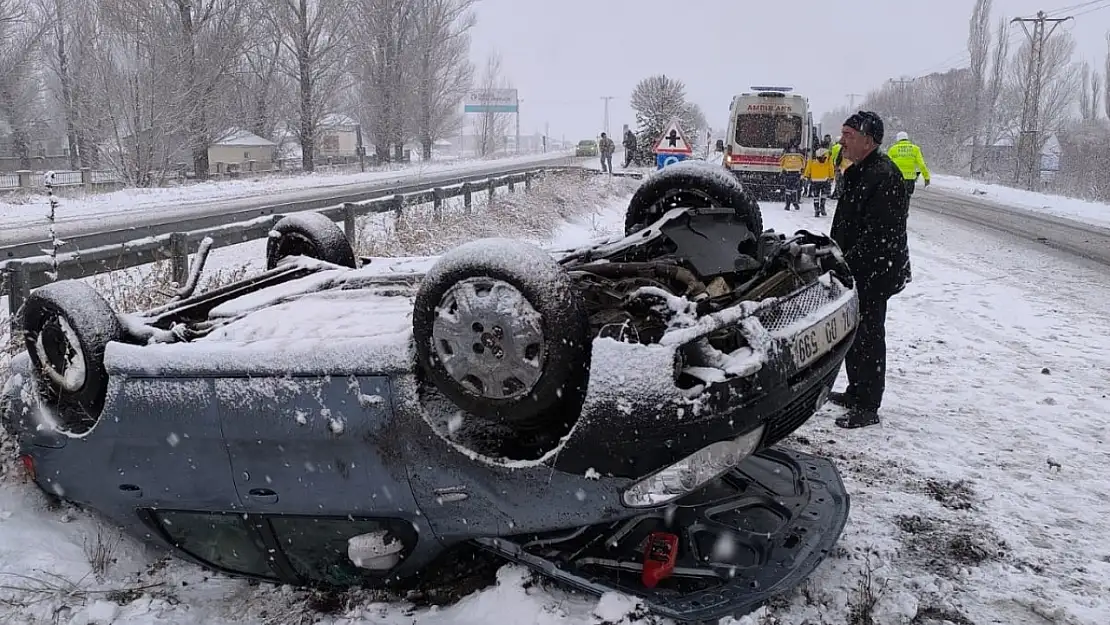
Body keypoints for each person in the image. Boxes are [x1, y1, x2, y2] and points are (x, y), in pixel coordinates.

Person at [828, 111, 911, 429]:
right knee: (854, 330)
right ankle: (855, 390)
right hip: (857, 267)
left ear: (868, 139)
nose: (842, 140)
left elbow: (880, 236)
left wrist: (848, 262)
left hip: (876, 272)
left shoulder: (884, 175)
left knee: (869, 334)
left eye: (848, 135)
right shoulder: (859, 171)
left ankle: (868, 404)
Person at [887, 131, 931, 199]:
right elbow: (922, 165)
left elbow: (887, 165)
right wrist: (926, 177)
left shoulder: (893, 149)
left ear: (898, 139)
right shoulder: (915, 149)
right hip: (910, 180)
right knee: (907, 198)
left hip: (897, 179)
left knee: (896, 199)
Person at [803, 147, 836, 217]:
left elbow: (808, 167)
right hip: (825, 179)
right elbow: (831, 167)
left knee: (816, 196)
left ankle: (816, 209)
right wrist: (832, 177)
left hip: (815, 180)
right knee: (824, 194)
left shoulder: (812, 158)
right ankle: (822, 207)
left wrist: (806, 175)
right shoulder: (828, 157)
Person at [780, 144, 806, 211]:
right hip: (791, 174)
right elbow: (804, 163)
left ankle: (793, 203)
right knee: (791, 190)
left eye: (793, 148)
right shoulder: (799, 155)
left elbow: (781, 163)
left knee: (793, 190)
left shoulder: (786, 156)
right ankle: (790, 204)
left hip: (793, 174)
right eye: (792, 148)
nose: (793, 150)